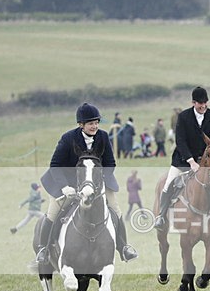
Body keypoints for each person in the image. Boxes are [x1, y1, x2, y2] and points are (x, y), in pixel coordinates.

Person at [35, 102, 138, 264]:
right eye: (91, 123)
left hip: (97, 183)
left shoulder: (103, 136)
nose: (94, 126)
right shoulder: (68, 138)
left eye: (96, 123)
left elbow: (110, 163)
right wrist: (64, 187)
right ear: (81, 124)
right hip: (68, 184)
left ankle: (124, 247)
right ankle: (43, 249)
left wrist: (98, 182)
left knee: (116, 211)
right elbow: (55, 165)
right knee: (53, 213)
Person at [153, 87, 210, 232]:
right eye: (200, 103)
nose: (203, 106)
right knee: (168, 184)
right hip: (182, 160)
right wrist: (191, 161)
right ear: (193, 102)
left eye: (205, 103)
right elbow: (180, 141)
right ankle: (161, 216)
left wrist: (207, 162)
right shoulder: (184, 117)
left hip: (206, 162)